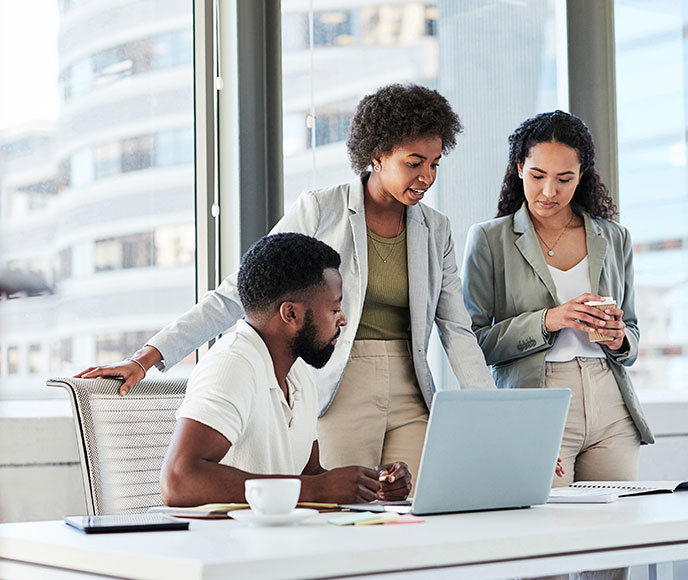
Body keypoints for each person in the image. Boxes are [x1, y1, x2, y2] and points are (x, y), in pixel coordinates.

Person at [77, 83, 495, 482]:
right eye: (414, 163)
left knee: (412, 514)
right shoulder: (320, 209)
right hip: (339, 385)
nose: (427, 177)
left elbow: (456, 329)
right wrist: (148, 357)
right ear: (378, 153)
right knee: (344, 515)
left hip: (412, 390)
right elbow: (244, 289)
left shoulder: (435, 229)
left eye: (435, 164)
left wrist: (495, 417)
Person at [462, 112, 652, 580]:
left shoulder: (613, 236)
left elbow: (632, 330)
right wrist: (551, 319)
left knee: (611, 554)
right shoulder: (490, 240)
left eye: (564, 179)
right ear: (519, 170)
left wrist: (617, 336)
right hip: (539, 403)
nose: (549, 191)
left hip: (610, 404)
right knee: (541, 554)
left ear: (582, 176)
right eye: (538, 176)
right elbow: (473, 342)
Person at [161, 233, 411, 507]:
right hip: (227, 543)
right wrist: (317, 490)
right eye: (334, 308)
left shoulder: (298, 374)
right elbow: (178, 481)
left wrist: (370, 485)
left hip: (280, 540)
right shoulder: (232, 364)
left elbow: (310, 475)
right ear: (290, 314)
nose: (343, 319)